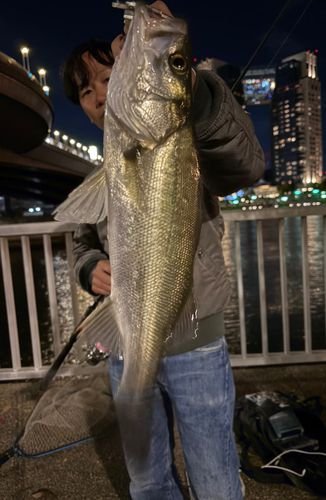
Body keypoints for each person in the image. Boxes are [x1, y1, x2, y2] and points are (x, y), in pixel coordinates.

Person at [61, 2, 264, 498]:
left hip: (195, 339)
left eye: (105, 77)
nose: (97, 96)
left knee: (215, 479)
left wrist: (188, 86)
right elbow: (81, 240)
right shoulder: (105, 162)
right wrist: (90, 269)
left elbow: (245, 166)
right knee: (148, 480)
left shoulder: (187, 136)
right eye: (85, 92)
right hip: (125, 341)